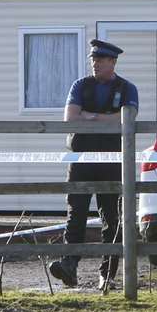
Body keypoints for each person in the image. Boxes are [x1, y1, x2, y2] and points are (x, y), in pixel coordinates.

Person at [50, 39, 139, 290]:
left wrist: (90, 116)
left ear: (112, 62)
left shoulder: (127, 88)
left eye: (100, 60)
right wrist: (105, 119)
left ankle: (107, 274)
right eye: (93, 60)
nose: (95, 64)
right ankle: (69, 265)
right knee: (75, 213)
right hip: (80, 159)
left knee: (111, 217)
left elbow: (125, 121)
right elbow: (71, 118)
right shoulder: (80, 85)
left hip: (110, 160)